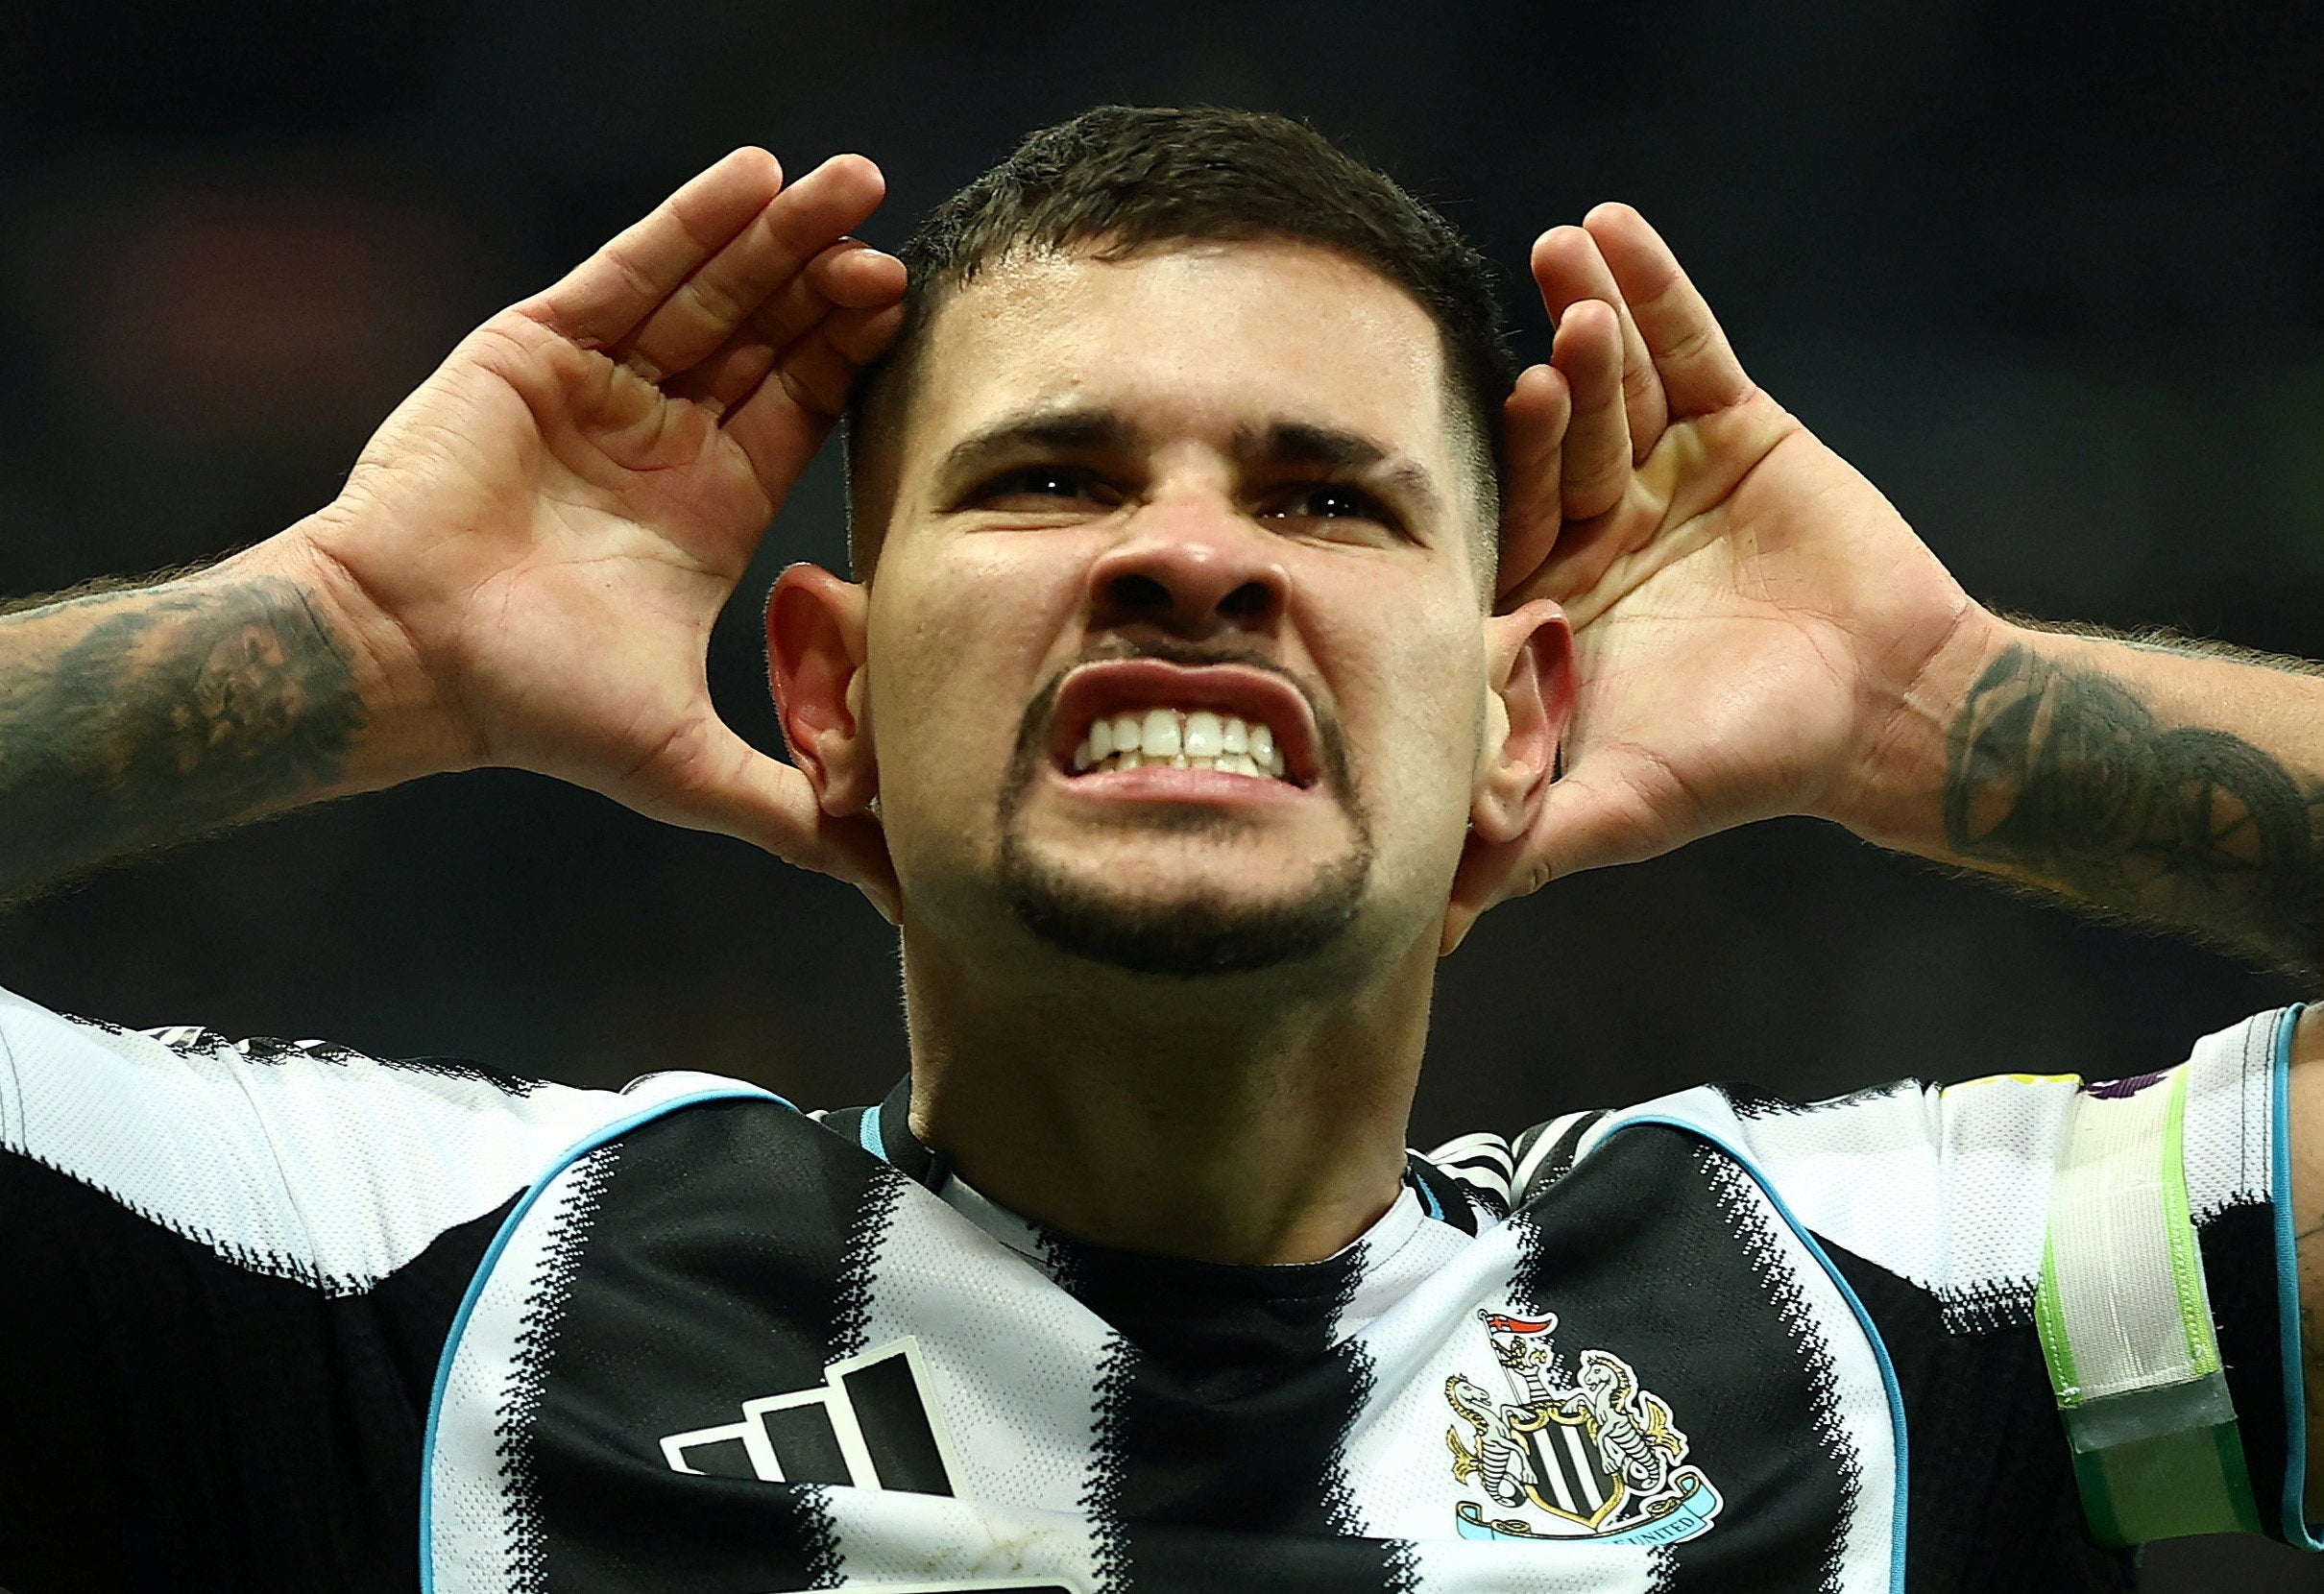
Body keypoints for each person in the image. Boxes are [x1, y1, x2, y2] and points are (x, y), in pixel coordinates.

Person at [0, 104, 2316, 1594]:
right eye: (1048, 480)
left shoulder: (1875, 1317)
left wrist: (1941, 719)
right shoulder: (404, 1288)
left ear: (1519, 713)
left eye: (1325, 494)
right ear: (825, 695)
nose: (1189, 559)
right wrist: (329, 641)